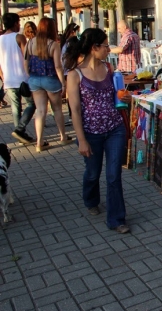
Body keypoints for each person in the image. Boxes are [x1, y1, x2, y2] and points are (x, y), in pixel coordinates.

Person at [64, 28, 131, 234]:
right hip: (90, 133)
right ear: (94, 48)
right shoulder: (75, 74)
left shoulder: (109, 68)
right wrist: (81, 140)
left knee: (114, 175)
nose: (108, 49)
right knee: (93, 173)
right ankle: (91, 199)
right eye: (105, 45)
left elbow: (117, 96)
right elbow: (74, 109)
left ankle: (117, 219)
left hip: (114, 129)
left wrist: (124, 98)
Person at [25, 17, 70, 152]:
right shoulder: (53, 44)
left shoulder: (30, 43)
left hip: (34, 79)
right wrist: (63, 82)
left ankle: (39, 142)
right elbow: (58, 66)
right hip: (50, 79)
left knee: (40, 111)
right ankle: (63, 137)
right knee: (57, 109)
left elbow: (26, 63)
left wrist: (30, 76)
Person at [0, 13, 36, 144]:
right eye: (19, 22)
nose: (20, 24)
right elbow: (27, 56)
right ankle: (20, 129)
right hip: (22, 77)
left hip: (8, 78)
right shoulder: (19, 37)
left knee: (15, 108)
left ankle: (20, 134)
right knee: (32, 104)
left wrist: (3, 75)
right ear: (15, 23)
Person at [61, 23, 80, 126]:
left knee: (70, 95)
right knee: (72, 95)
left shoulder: (64, 42)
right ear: (73, 31)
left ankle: (71, 116)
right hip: (71, 70)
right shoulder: (71, 43)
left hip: (66, 71)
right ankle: (72, 116)